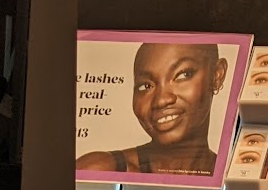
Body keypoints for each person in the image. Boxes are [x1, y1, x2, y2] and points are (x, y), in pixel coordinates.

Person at [76, 41, 228, 176]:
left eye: (182, 75)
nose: (161, 100)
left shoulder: (231, 173)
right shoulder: (101, 169)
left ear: (217, 75)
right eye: (146, 86)